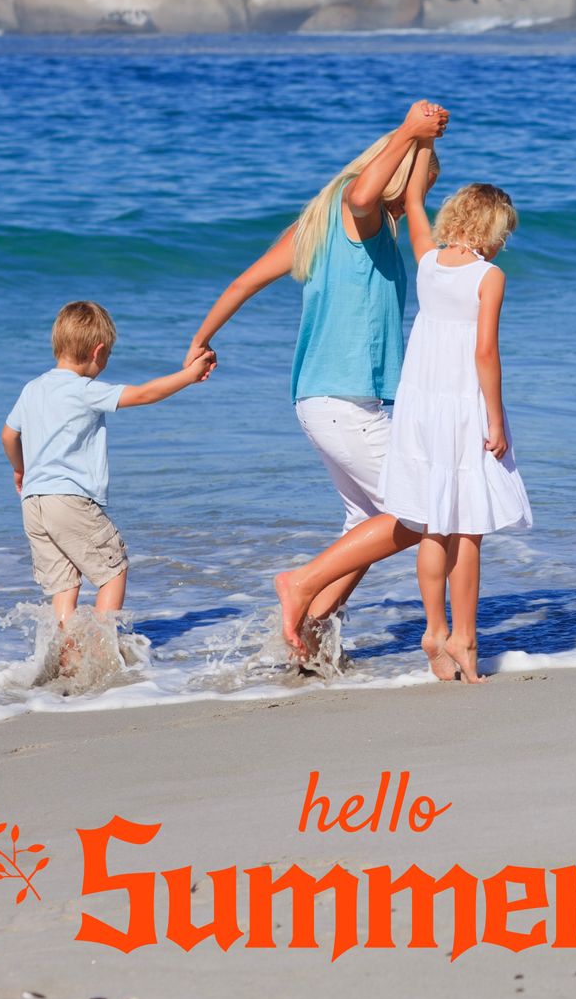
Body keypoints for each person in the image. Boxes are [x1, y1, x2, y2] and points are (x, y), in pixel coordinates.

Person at [186, 102, 447, 633]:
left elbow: (243, 283)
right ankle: (300, 584)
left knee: (368, 522)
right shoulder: (362, 218)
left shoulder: (316, 228)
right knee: (423, 514)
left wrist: (200, 338)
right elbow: (363, 193)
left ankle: (310, 624)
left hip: (319, 400)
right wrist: (409, 132)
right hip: (346, 402)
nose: (418, 202)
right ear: (394, 180)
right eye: (418, 188)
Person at [279, 152, 531, 682]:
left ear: (456, 218)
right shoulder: (490, 277)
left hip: (419, 407)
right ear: (493, 230)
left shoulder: (428, 262)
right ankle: (464, 639)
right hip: (463, 407)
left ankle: (434, 631)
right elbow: (486, 353)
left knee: (432, 521)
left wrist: (416, 148)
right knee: (470, 527)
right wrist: (497, 420)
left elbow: (413, 199)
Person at [1, 301, 216, 652]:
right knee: (112, 569)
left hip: (33, 505)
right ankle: (101, 651)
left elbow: (9, 436)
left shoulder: (32, 389)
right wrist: (189, 377)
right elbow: (144, 394)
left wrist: (20, 468)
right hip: (69, 499)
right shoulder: (83, 390)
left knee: (63, 585)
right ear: (98, 352)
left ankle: (64, 655)